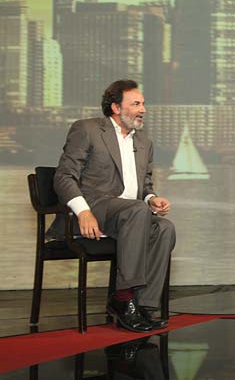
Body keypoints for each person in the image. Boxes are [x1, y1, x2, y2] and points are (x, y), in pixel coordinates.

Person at [54, 79, 176, 333]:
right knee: (136, 210)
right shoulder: (87, 129)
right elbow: (64, 176)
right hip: (95, 209)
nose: (143, 109)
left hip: (130, 214)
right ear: (115, 108)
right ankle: (123, 299)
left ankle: (143, 306)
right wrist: (83, 211)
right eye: (136, 104)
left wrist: (150, 199)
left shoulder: (144, 143)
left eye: (143, 103)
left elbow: (144, 186)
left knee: (165, 228)